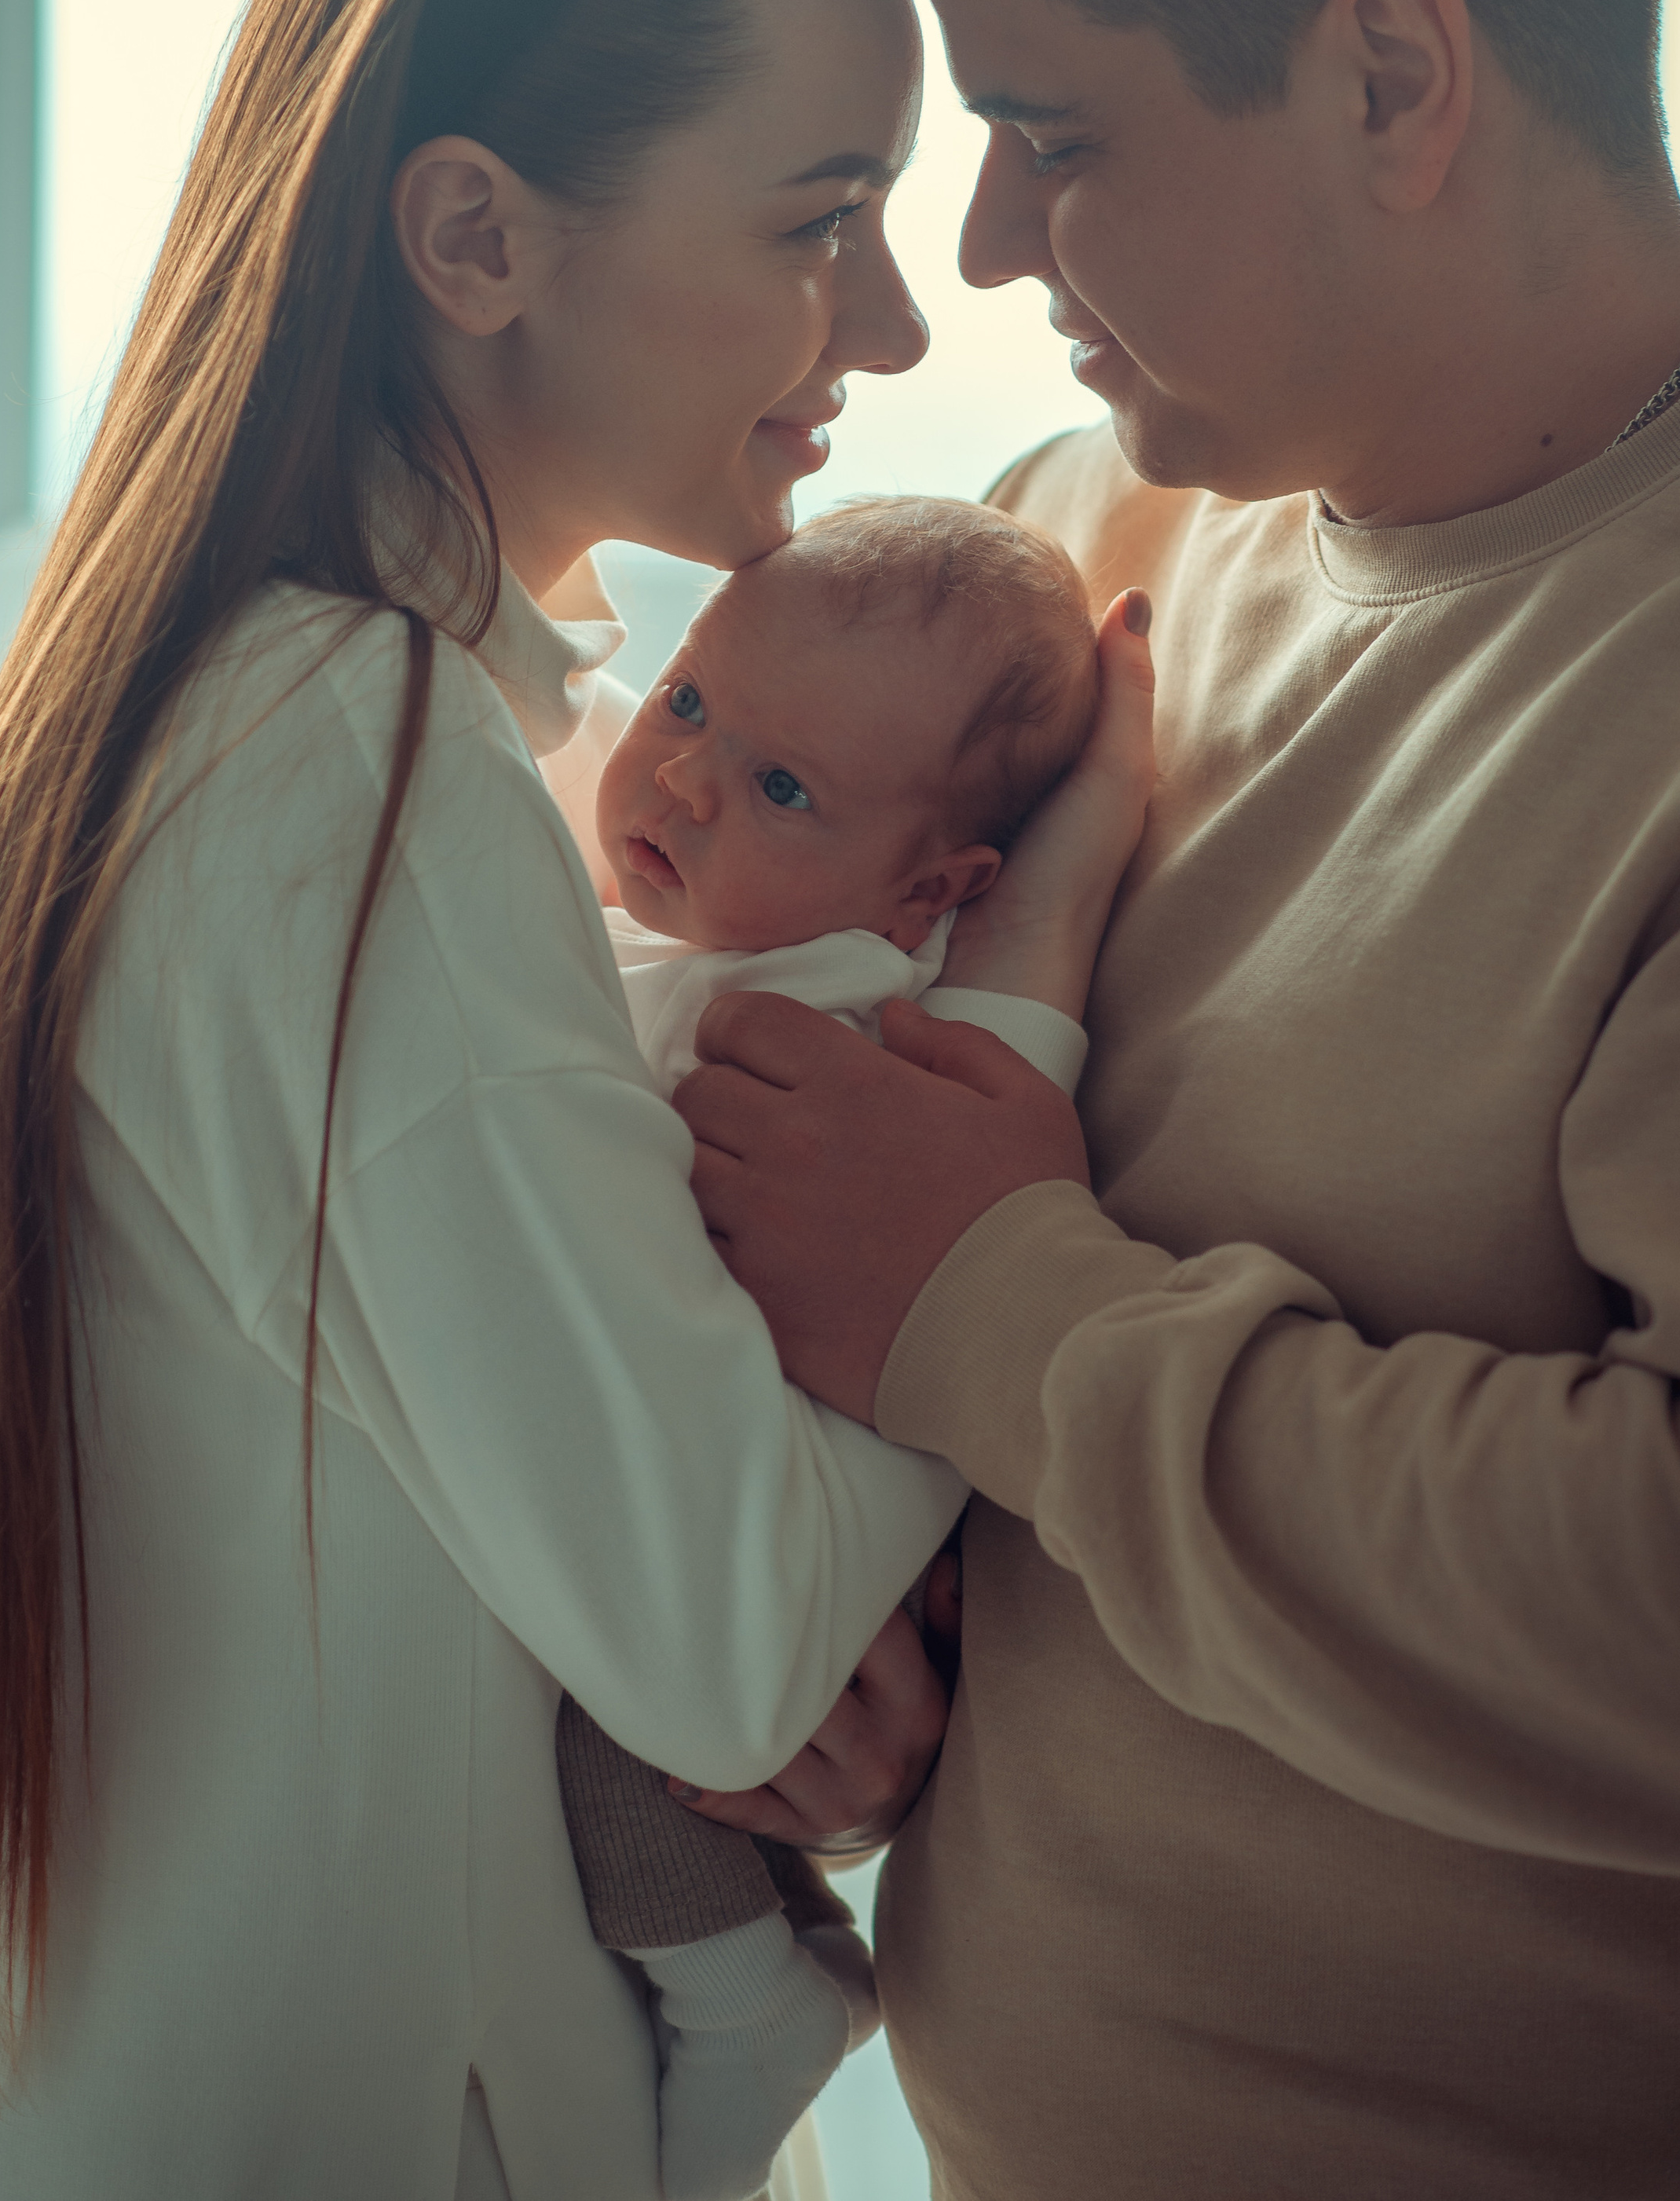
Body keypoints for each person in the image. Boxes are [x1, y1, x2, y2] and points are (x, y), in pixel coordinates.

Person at [677, 0, 1680, 2200]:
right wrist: (824, 1632)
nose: (973, 241)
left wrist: (1009, 1325)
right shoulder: (1090, 532)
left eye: (1052, 133)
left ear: (1395, 73)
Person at [0, 0, 980, 2201]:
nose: (885, 326)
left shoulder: (265, 711)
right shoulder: (358, 772)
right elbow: (731, 1631)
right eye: (812, 217)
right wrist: (1024, 1067)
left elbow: (589, 1579)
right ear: (473, 240)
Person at [553, 496, 1152, 2201]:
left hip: (808, 1514)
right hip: (709, 1487)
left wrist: (1079, 858)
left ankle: (743, 1995)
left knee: (621, 1748)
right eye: (685, 707)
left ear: (929, 889)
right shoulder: (679, 921)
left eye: (779, 789)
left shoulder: (865, 992)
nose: (677, 784)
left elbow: (1006, 1069)